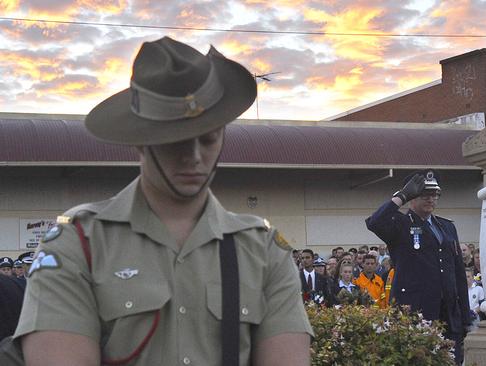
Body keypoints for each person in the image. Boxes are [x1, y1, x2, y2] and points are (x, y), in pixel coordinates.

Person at [13, 36, 312, 366]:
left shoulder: (262, 250)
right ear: (139, 142)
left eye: (209, 138)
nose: (195, 157)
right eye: (176, 142)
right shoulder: (79, 243)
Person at [366, 169, 471, 365]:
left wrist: (465, 318)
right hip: (416, 314)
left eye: (434, 194)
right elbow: (375, 222)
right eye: (424, 194)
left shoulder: (447, 227)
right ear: (413, 197)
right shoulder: (401, 224)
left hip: (448, 314)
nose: (431, 198)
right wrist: (401, 196)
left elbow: (457, 274)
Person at [466, 267, 484, 332]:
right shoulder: (460, 290)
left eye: (468, 276)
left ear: (472, 277)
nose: (466, 279)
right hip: (463, 317)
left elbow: (482, 304)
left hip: (474, 317)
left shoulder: (478, 289)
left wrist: (474, 311)